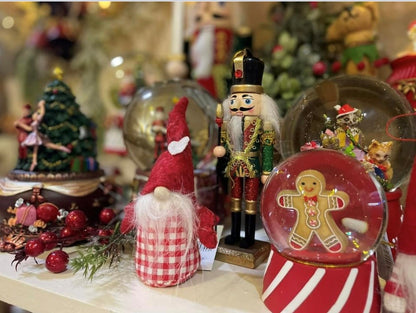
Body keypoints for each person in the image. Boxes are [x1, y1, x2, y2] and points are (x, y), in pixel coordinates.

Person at [213, 49, 281, 248]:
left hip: (252, 168)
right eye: (234, 100)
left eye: (247, 100)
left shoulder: (263, 125)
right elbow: (225, 144)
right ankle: (234, 233)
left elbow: (267, 148)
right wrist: (222, 150)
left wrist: (267, 170)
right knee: (234, 200)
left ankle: (249, 236)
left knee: (250, 202)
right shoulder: (229, 123)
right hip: (234, 168)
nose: (239, 105)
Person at [21, 100, 71, 172]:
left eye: (36, 114)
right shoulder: (34, 122)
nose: (35, 115)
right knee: (38, 148)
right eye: (34, 114)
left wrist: (42, 105)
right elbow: (29, 129)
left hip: (37, 136)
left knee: (46, 145)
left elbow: (42, 113)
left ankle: (62, 148)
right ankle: (34, 162)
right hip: (35, 135)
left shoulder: (38, 120)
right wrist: (21, 125)